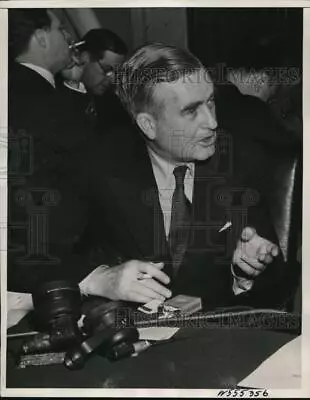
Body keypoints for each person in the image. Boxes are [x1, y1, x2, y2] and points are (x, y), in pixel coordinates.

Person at [76, 43, 298, 311]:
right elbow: (41, 256)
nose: (212, 122)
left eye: (211, 102)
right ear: (148, 124)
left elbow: (279, 284)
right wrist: (100, 279)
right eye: (191, 111)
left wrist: (244, 274)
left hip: (215, 339)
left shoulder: (240, 161)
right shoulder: (99, 165)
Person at [8, 9, 91, 292]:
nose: (68, 39)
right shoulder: (39, 99)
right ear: (41, 37)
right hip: (50, 263)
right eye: (60, 29)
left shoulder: (19, 89)